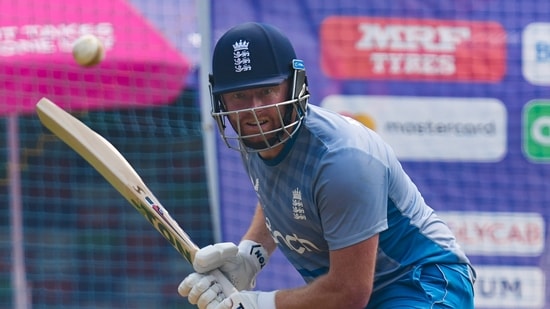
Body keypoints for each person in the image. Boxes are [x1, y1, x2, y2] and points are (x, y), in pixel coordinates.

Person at [178, 22, 476, 309]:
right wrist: (250, 257)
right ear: (222, 101)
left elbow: (349, 293)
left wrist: (261, 304)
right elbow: (274, 193)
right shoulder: (257, 138)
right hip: (353, 294)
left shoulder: (342, 159)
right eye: (239, 96)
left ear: (293, 87)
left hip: (420, 283)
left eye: (267, 91)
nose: (255, 111)